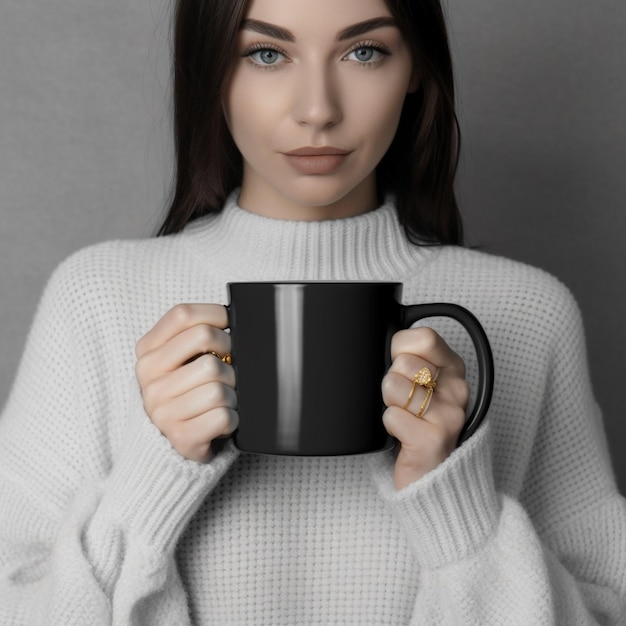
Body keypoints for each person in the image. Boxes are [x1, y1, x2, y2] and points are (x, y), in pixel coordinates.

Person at [1, 0, 624, 623]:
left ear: (415, 68)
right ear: (211, 68)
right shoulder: (96, 296)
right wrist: (154, 475)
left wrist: (453, 501)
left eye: (364, 51)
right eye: (266, 53)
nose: (318, 110)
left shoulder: (529, 314)